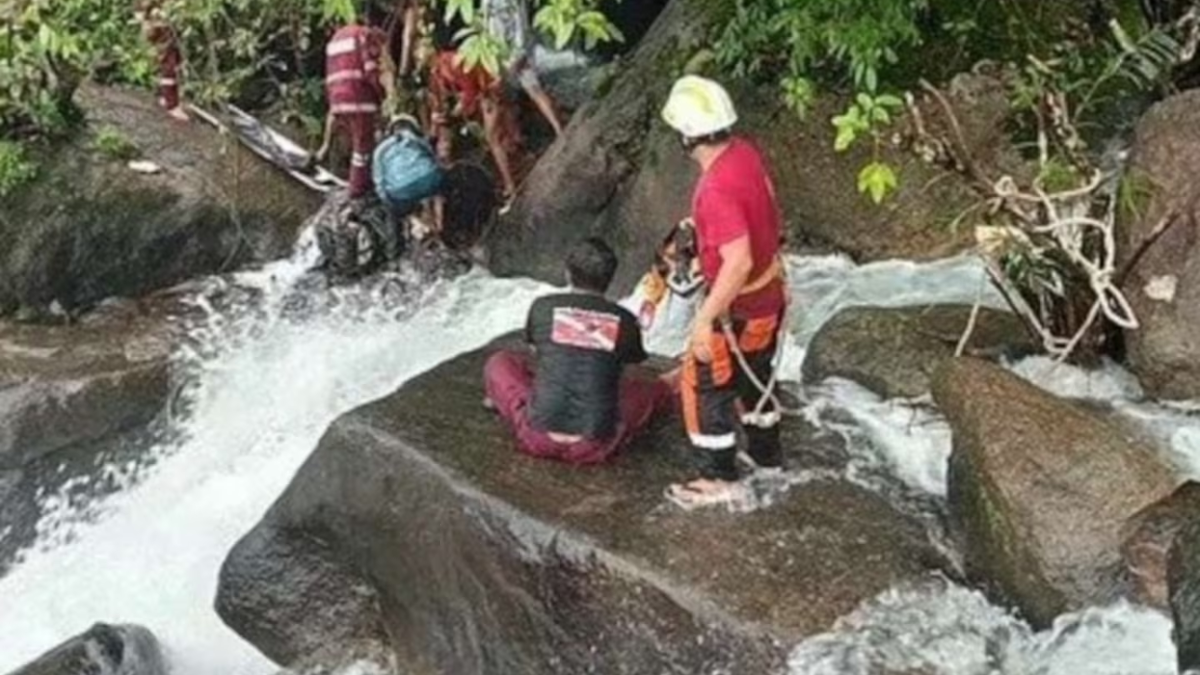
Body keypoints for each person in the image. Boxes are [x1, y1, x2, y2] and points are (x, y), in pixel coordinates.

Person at [659, 76, 788, 508]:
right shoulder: (745, 153)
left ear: (686, 135)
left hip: (742, 306)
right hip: (770, 295)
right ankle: (768, 455)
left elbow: (738, 262)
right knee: (757, 372)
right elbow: (766, 202)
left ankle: (719, 477)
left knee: (703, 382)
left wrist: (704, 318)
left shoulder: (714, 188)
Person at [483, 237, 672, 465]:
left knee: (499, 363)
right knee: (653, 390)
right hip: (595, 445)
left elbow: (536, 352)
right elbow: (633, 362)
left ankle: (502, 402)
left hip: (538, 437)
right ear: (610, 280)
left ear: (567, 273)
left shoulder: (543, 306)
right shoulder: (625, 320)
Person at [425, 22, 522, 209]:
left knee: (493, 140)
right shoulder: (440, 68)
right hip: (488, 89)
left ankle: (511, 186)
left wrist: (456, 114)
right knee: (499, 137)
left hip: (490, 90)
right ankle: (513, 172)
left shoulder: (451, 62)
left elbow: (470, 91)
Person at [315, 4, 390, 201]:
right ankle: (356, 192)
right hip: (358, 99)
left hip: (337, 100)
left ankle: (357, 178)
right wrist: (382, 96)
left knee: (355, 142)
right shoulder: (365, 35)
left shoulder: (334, 40)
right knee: (362, 147)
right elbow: (370, 70)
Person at [482, 0, 565, 137]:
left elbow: (521, 25)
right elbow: (487, 27)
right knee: (507, 98)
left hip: (516, 52)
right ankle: (518, 139)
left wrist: (520, 54)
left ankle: (559, 129)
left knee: (534, 90)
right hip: (500, 54)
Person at [372, 113, 443, 253]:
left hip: (401, 190)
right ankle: (440, 225)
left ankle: (400, 242)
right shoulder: (416, 140)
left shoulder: (380, 149)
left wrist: (390, 203)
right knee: (437, 188)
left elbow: (379, 183)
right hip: (429, 179)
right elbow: (431, 157)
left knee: (395, 207)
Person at [136, 0, 189, 122]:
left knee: (176, 62)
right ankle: (172, 105)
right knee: (169, 66)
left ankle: (165, 97)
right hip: (159, 29)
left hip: (170, 28)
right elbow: (141, 11)